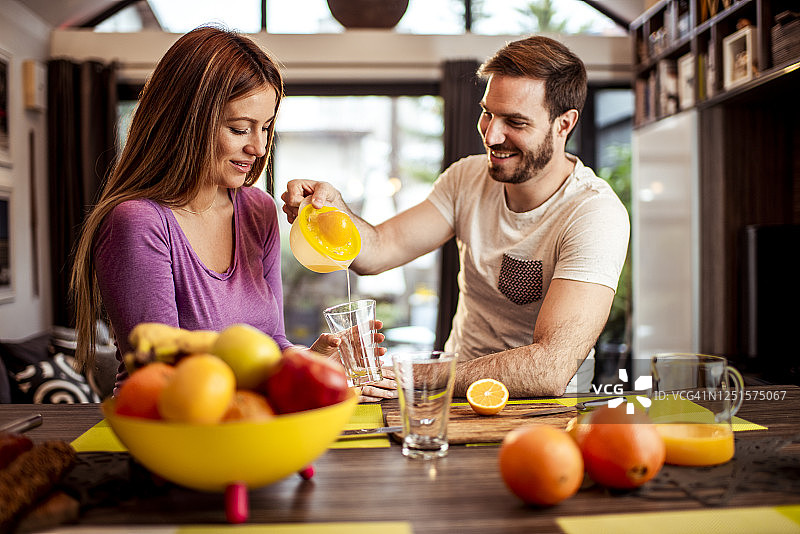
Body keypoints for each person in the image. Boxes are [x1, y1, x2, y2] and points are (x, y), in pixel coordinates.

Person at [281, 35, 630, 398]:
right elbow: (380, 249)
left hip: (539, 410)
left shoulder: (594, 215)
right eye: (488, 112)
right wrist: (335, 210)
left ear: (564, 124)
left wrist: (413, 375)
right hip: (451, 397)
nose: (492, 135)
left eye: (515, 121)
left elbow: (550, 367)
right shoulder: (467, 177)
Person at [70, 26, 392, 401]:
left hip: (245, 425)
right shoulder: (139, 223)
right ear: (186, 120)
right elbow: (164, 377)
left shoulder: (258, 210)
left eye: (266, 128)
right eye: (240, 129)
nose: (258, 147)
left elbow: (271, 341)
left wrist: (312, 363)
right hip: (168, 431)